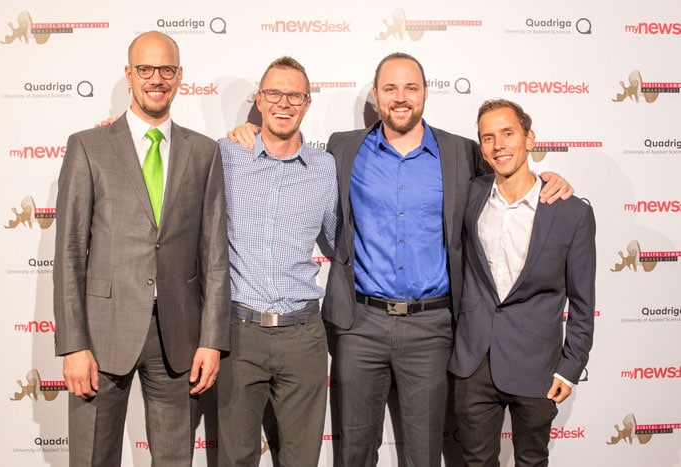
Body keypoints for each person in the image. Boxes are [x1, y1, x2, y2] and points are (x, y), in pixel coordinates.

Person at [228, 52, 571, 466]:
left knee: (423, 454)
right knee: (354, 452)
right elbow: (285, 149)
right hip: (360, 325)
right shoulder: (343, 148)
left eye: (411, 87)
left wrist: (548, 179)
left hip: (431, 327)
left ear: (425, 93)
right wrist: (247, 131)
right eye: (390, 88)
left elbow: (509, 177)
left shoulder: (461, 152)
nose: (401, 97)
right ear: (376, 95)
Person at [53, 31, 230, 467]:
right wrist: (73, 344)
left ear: (180, 76)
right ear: (129, 74)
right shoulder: (88, 147)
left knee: (174, 460)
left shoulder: (204, 152)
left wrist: (211, 340)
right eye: (146, 69)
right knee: (93, 458)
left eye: (166, 69)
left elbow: (214, 256)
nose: (157, 79)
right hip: (101, 334)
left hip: (179, 337)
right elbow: (70, 252)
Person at [448, 99, 595, 466]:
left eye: (508, 133)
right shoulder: (469, 196)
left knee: (532, 460)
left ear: (530, 139)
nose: (499, 145)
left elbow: (582, 301)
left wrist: (571, 367)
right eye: (488, 138)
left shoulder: (571, 212)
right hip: (474, 361)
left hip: (537, 365)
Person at [216, 56, 337, 466]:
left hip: (303, 336)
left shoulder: (325, 168)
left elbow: (339, 241)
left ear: (307, 103)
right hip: (238, 332)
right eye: (274, 93)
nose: (284, 103)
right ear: (259, 100)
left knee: (302, 459)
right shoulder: (226, 154)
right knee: (236, 457)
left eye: (294, 96)